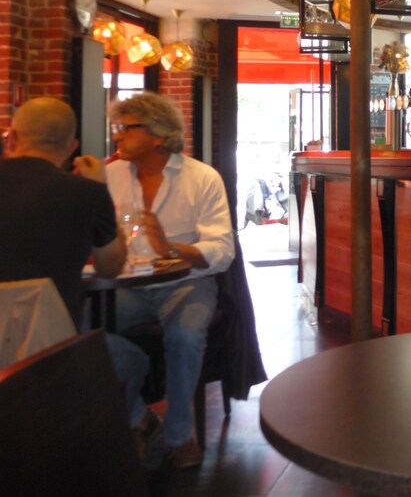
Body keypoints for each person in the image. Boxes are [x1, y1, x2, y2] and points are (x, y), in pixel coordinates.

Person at [0, 98, 154, 452]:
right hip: (50, 349)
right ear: (71, 147)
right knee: (132, 359)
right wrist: (100, 186)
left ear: (12, 138)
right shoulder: (86, 192)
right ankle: (97, 455)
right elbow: (110, 267)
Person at [105, 92, 235, 468]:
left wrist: (172, 248)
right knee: (76, 327)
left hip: (188, 282)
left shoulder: (202, 178)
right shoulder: (109, 175)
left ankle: (179, 436)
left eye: (126, 129)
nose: (117, 137)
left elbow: (222, 250)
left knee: (184, 334)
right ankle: (139, 416)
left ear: (158, 135)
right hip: (128, 285)